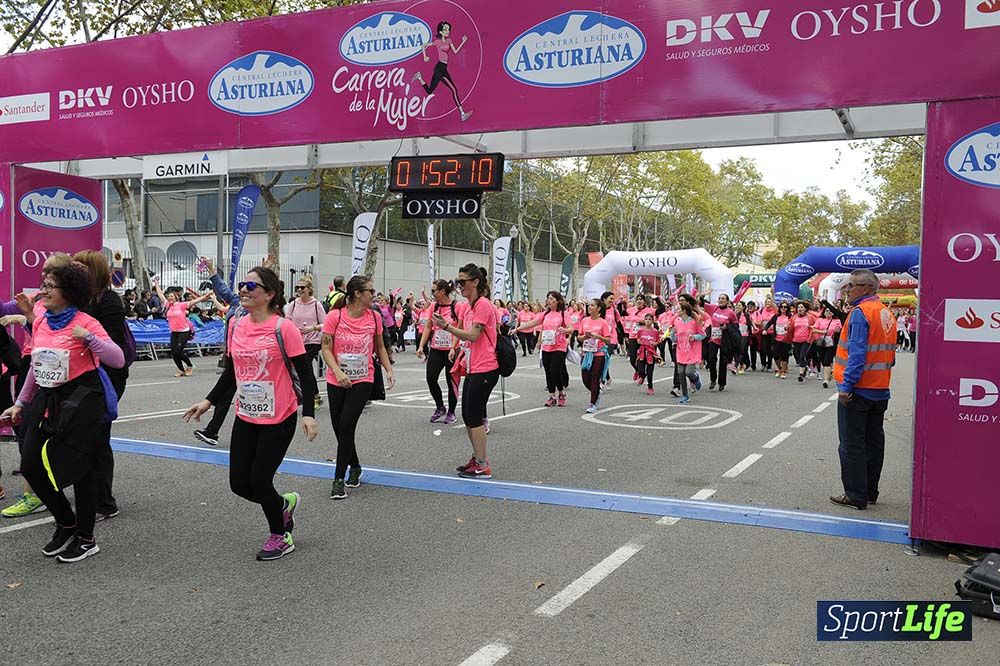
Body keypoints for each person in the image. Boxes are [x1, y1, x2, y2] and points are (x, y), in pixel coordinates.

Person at [184, 267, 318, 560]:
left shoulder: (284, 329)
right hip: (246, 415)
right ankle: (282, 505)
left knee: (259, 480)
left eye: (251, 285)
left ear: (269, 294)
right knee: (238, 484)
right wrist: (208, 401)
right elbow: (232, 372)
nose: (243, 289)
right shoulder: (237, 326)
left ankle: (280, 536)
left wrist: (308, 414)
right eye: (242, 284)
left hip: (279, 417)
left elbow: (306, 376)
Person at [1, 262, 125, 563]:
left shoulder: (86, 322)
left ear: (68, 291)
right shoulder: (41, 320)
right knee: (30, 465)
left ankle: (86, 538)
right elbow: (37, 365)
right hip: (48, 397)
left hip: (82, 399)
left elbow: (118, 359)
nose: (42, 291)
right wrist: (20, 402)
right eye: (43, 285)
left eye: (49, 286)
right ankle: (66, 522)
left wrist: (90, 339)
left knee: (80, 470)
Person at [322, 276, 395, 500]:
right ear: (357, 293)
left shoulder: (374, 317)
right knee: (340, 429)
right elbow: (326, 349)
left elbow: (380, 347)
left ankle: (338, 479)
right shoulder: (335, 316)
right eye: (370, 291)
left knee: (346, 424)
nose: (374, 295)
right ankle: (355, 466)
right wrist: (338, 372)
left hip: (363, 378)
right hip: (337, 379)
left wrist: (389, 369)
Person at [831, 269, 896, 511]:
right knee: (873, 442)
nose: (847, 290)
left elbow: (856, 355)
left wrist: (846, 386)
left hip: (858, 390)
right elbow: (890, 356)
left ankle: (855, 494)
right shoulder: (885, 312)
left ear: (867, 287)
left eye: (851, 285)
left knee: (851, 444)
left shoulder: (860, 313)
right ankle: (869, 492)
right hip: (880, 388)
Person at [74, 250, 130, 522]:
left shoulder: (109, 301)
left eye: (80, 267)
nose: (75, 271)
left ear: (93, 271)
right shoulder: (76, 299)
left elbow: (113, 348)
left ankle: (104, 502)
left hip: (106, 378)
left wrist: (87, 337)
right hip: (81, 377)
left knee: (97, 437)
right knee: (83, 437)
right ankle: (87, 495)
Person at [434, 264, 497, 479]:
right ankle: (477, 458)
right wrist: (457, 349)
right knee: (467, 415)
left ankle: (483, 465)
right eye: (457, 282)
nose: (459, 286)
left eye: (463, 282)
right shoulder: (468, 306)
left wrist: (447, 328)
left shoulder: (483, 305)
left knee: (475, 415)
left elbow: (473, 335)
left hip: (486, 367)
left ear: (475, 282)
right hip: (472, 366)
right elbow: (466, 337)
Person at [512, 291, 573, 407]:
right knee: (548, 372)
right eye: (548, 298)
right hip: (546, 346)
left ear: (558, 301)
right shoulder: (545, 314)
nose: (549, 301)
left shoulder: (563, 313)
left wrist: (565, 330)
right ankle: (552, 396)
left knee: (555, 370)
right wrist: (517, 329)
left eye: (552, 299)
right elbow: (532, 323)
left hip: (559, 346)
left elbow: (571, 329)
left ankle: (561, 392)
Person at [417, 280, 459, 424]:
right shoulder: (433, 306)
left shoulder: (456, 306)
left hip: (451, 350)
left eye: (434, 290)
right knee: (431, 378)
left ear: (442, 291)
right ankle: (440, 407)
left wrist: (453, 347)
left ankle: (452, 411)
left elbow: (459, 328)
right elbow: (428, 327)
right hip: (436, 349)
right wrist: (421, 346)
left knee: (451, 381)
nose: (432, 293)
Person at [413, 21, 473, 121]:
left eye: (448, 29)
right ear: (440, 32)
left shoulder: (449, 40)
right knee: (454, 89)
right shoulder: (437, 42)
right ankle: (462, 114)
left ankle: (419, 77)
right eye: (445, 29)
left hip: (443, 67)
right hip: (440, 68)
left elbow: (455, 51)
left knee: (430, 91)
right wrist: (425, 56)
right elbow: (423, 45)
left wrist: (463, 41)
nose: (447, 31)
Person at [284, 274, 326, 411]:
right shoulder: (293, 304)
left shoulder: (316, 304)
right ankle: (315, 394)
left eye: (302, 287)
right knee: (303, 369)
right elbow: (287, 320)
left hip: (313, 340)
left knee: (305, 365)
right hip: (297, 340)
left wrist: (312, 328)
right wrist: (292, 329)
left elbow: (325, 323)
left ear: (309, 289)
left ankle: (310, 397)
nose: (299, 290)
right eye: (297, 287)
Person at [156, 283, 210, 377]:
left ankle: (189, 365)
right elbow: (160, 294)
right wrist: (156, 284)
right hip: (174, 332)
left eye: (171, 296)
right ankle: (181, 370)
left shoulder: (181, 305)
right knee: (174, 353)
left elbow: (195, 301)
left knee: (178, 351)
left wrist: (205, 296)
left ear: (176, 297)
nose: (169, 297)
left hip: (184, 331)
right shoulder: (168, 305)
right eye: (168, 296)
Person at [579, 298, 612, 414]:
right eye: (589, 305)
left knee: (594, 376)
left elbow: (608, 340)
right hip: (586, 352)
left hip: (599, 353)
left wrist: (598, 337)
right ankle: (597, 391)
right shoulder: (584, 321)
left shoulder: (603, 322)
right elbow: (579, 337)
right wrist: (584, 337)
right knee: (585, 377)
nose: (589, 307)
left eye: (592, 305)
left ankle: (593, 404)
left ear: (598, 309)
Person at [670, 301, 706, 404]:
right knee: (681, 373)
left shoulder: (694, 322)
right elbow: (674, 339)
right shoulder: (677, 322)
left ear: (684, 311)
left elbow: (703, 335)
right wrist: (673, 332)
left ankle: (695, 378)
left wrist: (694, 337)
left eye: (679, 309)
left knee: (688, 372)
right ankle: (685, 396)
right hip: (680, 351)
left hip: (692, 351)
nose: (677, 311)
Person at [704, 294, 739, 391]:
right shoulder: (714, 308)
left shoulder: (731, 313)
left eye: (723, 298)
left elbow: (735, 326)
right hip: (714, 338)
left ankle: (722, 383)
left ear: (727, 301)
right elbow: (701, 303)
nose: (720, 300)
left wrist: (726, 327)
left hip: (725, 339)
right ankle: (713, 379)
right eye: (719, 298)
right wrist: (703, 294)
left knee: (723, 361)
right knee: (711, 359)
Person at [811, 306, 842, 389]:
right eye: (827, 311)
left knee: (827, 361)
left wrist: (838, 330)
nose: (828, 312)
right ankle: (830, 373)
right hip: (821, 343)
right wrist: (822, 332)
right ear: (824, 312)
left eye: (830, 311)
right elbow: (814, 329)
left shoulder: (837, 321)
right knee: (822, 360)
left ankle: (826, 380)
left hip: (831, 344)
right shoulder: (820, 320)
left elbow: (840, 330)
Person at [763, 301, 794, 379]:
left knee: (784, 355)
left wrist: (789, 328)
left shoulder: (790, 316)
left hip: (786, 339)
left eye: (785, 307)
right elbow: (769, 323)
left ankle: (783, 371)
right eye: (782, 307)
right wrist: (765, 329)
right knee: (775, 354)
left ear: (787, 308)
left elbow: (793, 326)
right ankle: (779, 368)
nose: (783, 308)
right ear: (779, 308)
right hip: (776, 338)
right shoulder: (776, 316)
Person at [635, 313, 663, 395]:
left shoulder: (655, 331)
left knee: (650, 372)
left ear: (652, 321)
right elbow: (637, 339)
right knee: (640, 369)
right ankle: (642, 376)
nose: (647, 321)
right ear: (644, 320)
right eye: (646, 319)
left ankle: (650, 387)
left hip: (651, 353)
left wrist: (655, 343)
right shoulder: (640, 330)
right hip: (642, 352)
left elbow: (658, 341)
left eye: (649, 319)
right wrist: (638, 341)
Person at [790, 302, 817, 382]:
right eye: (798, 307)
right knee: (799, 357)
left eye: (801, 307)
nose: (800, 309)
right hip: (796, 340)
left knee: (802, 356)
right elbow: (791, 328)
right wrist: (787, 328)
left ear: (805, 309)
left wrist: (810, 339)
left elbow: (814, 328)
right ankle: (805, 368)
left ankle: (801, 374)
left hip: (806, 340)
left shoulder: (810, 317)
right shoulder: (794, 317)